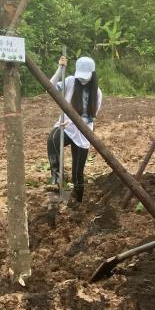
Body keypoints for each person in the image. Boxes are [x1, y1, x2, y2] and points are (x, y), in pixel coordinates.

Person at [47, 55, 102, 203]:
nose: (83, 80)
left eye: (86, 77)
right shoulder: (70, 81)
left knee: (77, 173)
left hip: (83, 133)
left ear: (93, 75)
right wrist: (60, 69)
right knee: (52, 139)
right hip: (66, 128)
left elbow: (91, 118)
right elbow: (50, 87)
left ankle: (77, 202)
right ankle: (57, 178)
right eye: (81, 77)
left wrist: (71, 121)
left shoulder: (97, 93)